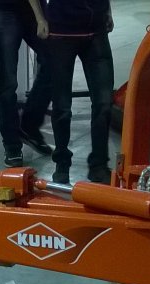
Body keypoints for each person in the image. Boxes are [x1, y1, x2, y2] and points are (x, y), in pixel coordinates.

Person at [0, 0, 54, 168]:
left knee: (54, 63)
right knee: (7, 81)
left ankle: (29, 126)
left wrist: (40, 16)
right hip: (4, 10)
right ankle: (12, 144)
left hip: (34, 9)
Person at [40, 0, 114, 184]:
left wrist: (107, 10)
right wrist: (40, 18)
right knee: (62, 105)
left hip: (97, 30)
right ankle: (62, 163)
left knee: (104, 103)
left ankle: (99, 165)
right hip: (61, 32)